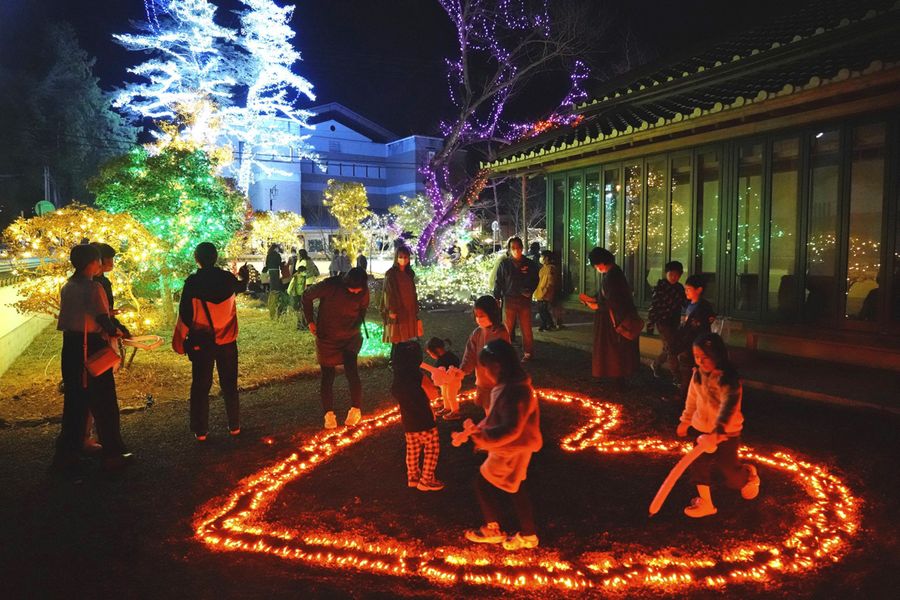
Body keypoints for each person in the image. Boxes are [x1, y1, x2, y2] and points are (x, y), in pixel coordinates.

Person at [454, 339, 542, 551]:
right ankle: (528, 534)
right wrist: (478, 431)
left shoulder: (516, 391)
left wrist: (485, 438)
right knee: (515, 487)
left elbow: (511, 428)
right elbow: (496, 417)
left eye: (485, 368)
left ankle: (493, 530)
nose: (485, 373)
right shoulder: (509, 387)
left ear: (497, 366)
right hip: (513, 447)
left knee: (482, 483)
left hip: (511, 449)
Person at [54, 243, 131, 472]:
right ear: (92, 263)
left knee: (75, 402)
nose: (101, 264)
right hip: (92, 348)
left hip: (71, 348)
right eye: (98, 260)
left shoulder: (68, 286)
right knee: (105, 402)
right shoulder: (93, 287)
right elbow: (102, 320)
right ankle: (112, 455)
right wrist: (119, 331)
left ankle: (68, 454)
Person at [677, 333, 760, 518]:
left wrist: (718, 432)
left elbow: (728, 409)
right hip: (701, 430)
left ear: (717, 355)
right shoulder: (697, 374)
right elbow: (691, 399)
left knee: (729, 471)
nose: (700, 361)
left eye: (704, 357)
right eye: (696, 356)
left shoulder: (729, 380)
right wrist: (686, 420)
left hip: (726, 432)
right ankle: (706, 503)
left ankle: (748, 475)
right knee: (698, 466)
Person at [173, 242, 241, 441]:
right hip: (227, 339)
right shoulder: (228, 279)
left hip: (202, 342)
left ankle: (201, 430)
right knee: (229, 384)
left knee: (201, 386)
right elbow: (241, 287)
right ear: (216, 257)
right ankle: (234, 425)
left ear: (197, 258)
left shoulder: (193, 283)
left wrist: (178, 341)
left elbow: (185, 314)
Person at [302, 267, 370, 429]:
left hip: (350, 337)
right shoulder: (330, 285)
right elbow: (306, 296)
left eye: (357, 291)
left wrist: (357, 326)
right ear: (346, 283)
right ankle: (329, 414)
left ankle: (355, 409)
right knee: (327, 376)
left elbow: (363, 310)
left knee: (352, 372)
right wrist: (310, 320)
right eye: (351, 290)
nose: (354, 293)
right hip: (327, 338)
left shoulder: (363, 291)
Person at [85, 242, 131, 454]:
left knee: (88, 393)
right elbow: (102, 314)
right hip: (96, 341)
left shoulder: (77, 284)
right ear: (98, 261)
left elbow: (105, 312)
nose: (112, 263)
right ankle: (110, 448)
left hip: (86, 341)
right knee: (102, 394)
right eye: (109, 259)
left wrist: (115, 323)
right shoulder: (95, 284)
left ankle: (88, 438)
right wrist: (115, 328)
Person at [579, 247, 640, 384]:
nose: (596, 268)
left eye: (596, 265)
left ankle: (618, 376)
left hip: (614, 319)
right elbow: (606, 295)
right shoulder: (612, 273)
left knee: (614, 350)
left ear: (601, 262)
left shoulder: (613, 276)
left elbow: (615, 300)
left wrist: (597, 305)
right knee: (614, 349)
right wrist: (593, 299)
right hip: (611, 317)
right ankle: (616, 375)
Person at [391, 340, 444, 492]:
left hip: (408, 422)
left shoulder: (398, 378)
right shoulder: (418, 376)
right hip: (425, 420)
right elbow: (432, 395)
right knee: (431, 449)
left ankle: (413, 477)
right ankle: (427, 479)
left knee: (412, 450)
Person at [459, 295, 510, 412]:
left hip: (498, 382)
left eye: (481, 315)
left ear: (492, 314)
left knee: (499, 411)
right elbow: (470, 354)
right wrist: (463, 370)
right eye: (476, 316)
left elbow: (505, 357)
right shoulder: (476, 333)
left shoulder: (500, 333)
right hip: (482, 382)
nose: (478, 319)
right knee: (488, 409)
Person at [493, 236, 539, 362]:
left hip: (524, 300)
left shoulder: (529, 264)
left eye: (518, 248)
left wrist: (530, 290)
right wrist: (496, 296)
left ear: (522, 248)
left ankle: (528, 353)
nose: (516, 250)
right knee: (507, 328)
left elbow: (535, 279)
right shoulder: (505, 264)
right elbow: (499, 281)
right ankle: (505, 354)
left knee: (526, 328)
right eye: (513, 248)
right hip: (509, 299)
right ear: (509, 249)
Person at [675, 274, 717, 398]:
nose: (686, 291)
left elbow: (700, 327)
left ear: (699, 290)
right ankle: (686, 395)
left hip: (696, 343)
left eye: (688, 289)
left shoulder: (703, 307)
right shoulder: (689, 304)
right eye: (685, 289)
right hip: (688, 342)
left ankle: (688, 396)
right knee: (686, 369)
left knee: (692, 370)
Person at [647, 261, 686, 381]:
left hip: (674, 321)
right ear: (666, 273)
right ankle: (676, 375)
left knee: (669, 347)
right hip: (662, 322)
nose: (674, 277)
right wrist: (651, 323)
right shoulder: (660, 287)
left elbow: (684, 302)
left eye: (676, 275)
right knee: (672, 348)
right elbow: (654, 306)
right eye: (671, 274)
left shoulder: (679, 288)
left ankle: (656, 364)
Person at [381, 246, 420, 348]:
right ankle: (396, 358)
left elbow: (413, 291)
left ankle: (407, 357)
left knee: (409, 336)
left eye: (406, 257)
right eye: (401, 257)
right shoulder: (391, 274)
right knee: (397, 337)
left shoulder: (409, 273)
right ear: (396, 257)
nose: (403, 259)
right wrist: (391, 310)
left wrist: (415, 307)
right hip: (397, 308)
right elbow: (388, 293)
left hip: (409, 308)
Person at [422, 337, 462, 420]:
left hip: (453, 381)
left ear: (438, 350)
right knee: (444, 394)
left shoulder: (450, 358)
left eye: (430, 353)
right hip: (445, 382)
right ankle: (447, 407)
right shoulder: (440, 360)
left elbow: (455, 369)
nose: (430, 356)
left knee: (451, 396)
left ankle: (455, 411)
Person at [534, 250, 558, 332]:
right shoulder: (543, 269)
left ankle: (549, 324)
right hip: (541, 292)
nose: (541, 258)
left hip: (546, 293)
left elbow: (550, 282)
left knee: (544, 310)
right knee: (541, 310)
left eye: (542, 256)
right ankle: (544, 324)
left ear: (546, 258)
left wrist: (545, 291)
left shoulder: (551, 268)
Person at [286, 265, 308, 330]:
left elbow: (304, 286)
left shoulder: (304, 278)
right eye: (304, 271)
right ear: (300, 272)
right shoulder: (295, 278)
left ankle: (302, 323)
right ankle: (298, 323)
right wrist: (290, 294)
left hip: (302, 295)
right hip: (295, 295)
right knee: (296, 309)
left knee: (302, 309)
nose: (305, 272)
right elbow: (290, 287)